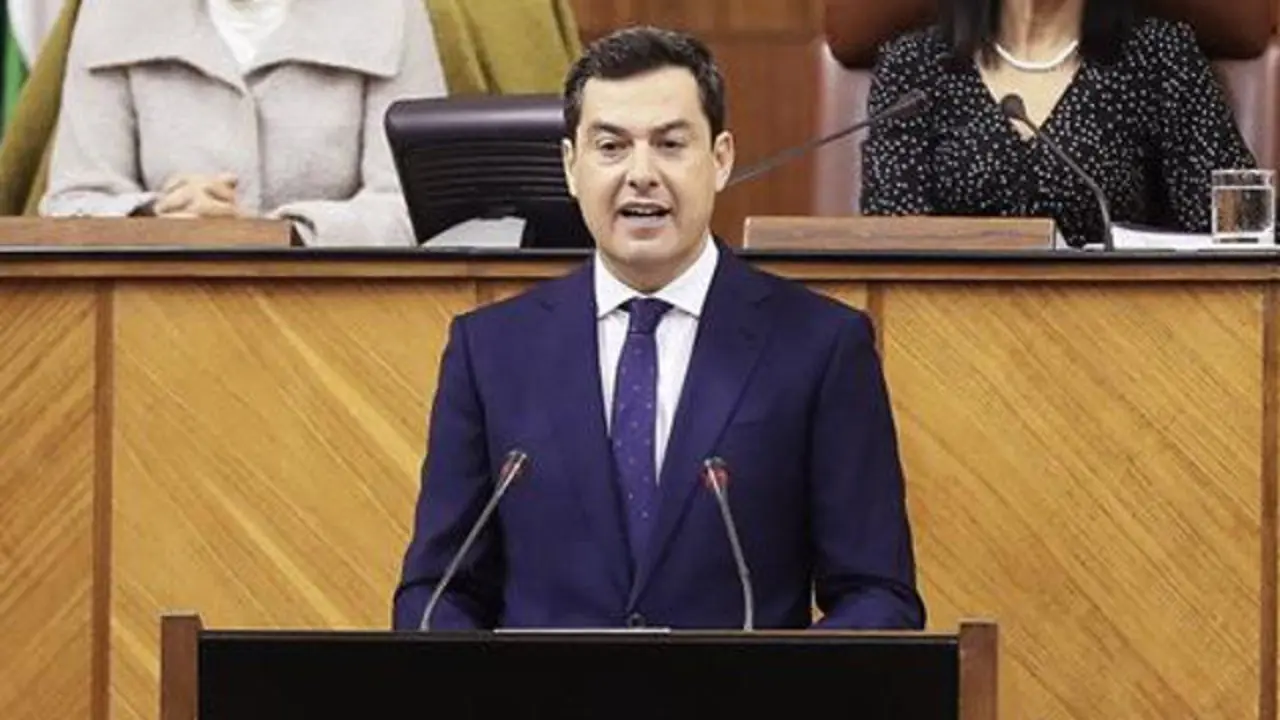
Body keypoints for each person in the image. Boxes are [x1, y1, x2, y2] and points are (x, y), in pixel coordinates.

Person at [392, 25, 925, 631]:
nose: (641, 174)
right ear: (571, 166)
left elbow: (877, 595)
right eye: (611, 147)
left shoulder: (821, 346)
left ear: (720, 159)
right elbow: (437, 593)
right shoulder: (489, 352)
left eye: (671, 145)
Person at [39, 0, 447, 246]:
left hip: (335, 323)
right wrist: (159, 217)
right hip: (151, 321)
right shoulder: (114, 12)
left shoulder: (388, 11)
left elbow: (415, 208)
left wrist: (281, 233)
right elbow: (72, 202)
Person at [860, 0, 1257, 248]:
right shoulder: (914, 66)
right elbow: (892, 239)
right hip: (946, 344)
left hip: (1123, 340)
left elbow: (1241, 231)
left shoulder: (1160, 57)